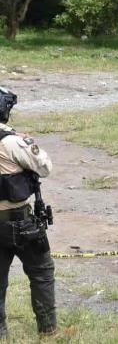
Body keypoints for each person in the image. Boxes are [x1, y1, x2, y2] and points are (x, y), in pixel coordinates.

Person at [0, 86, 56, 337]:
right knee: (42, 273)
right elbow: (44, 167)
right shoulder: (12, 142)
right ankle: (48, 331)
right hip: (20, 223)